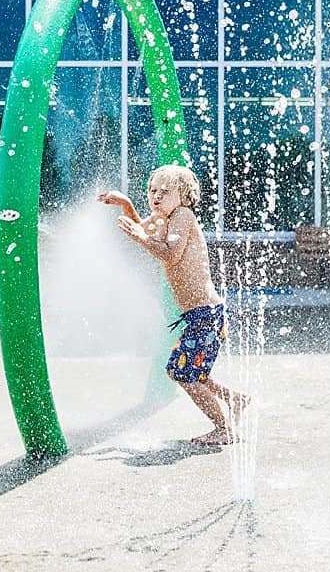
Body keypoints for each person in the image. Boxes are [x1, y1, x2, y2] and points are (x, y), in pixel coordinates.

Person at [97, 164, 249, 445]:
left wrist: (141, 237)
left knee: (182, 372)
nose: (156, 196)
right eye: (153, 190)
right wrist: (126, 204)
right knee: (190, 370)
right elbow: (140, 229)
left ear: (185, 195)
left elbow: (171, 253)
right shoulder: (162, 217)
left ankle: (224, 428)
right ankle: (234, 399)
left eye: (165, 191)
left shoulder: (183, 216)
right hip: (198, 315)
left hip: (207, 314)